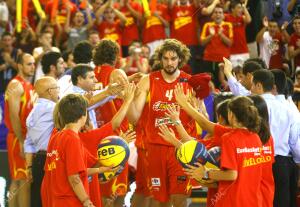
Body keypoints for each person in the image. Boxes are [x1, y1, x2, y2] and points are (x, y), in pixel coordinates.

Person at [127, 39, 196, 207]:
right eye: (165, 58)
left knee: (180, 199)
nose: (169, 62)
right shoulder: (148, 80)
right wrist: (127, 99)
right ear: (160, 59)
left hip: (180, 148)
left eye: (173, 59)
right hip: (155, 148)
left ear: (180, 59)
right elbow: (134, 118)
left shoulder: (191, 82)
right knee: (160, 200)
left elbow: (202, 117)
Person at [251, 69, 299, 207]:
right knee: (282, 202)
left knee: (261, 201)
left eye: (252, 85)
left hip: (260, 160)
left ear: (259, 85)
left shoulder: (255, 106)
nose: (251, 89)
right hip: (283, 162)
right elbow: (294, 140)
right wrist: (297, 161)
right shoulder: (288, 108)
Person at [4, 53, 36, 207]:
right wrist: (22, 141)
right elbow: (14, 116)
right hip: (18, 138)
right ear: (19, 66)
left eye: (33, 63)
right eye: (29, 64)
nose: (33, 67)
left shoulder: (28, 85)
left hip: (24, 138)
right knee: (21, 180)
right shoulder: (15, 85)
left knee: (21, 180)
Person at [24, 77, 60, 207]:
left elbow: (28, 143)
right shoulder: (54, 108)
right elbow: (78, 109)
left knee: (38, 201)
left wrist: (29, 167)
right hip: (52, 160)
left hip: (37, 162)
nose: (59, 92)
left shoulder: (32, 113)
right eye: (57, 88)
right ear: (50, 91)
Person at [200, 6, 233, 88]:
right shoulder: (207, 25)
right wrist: (211, 35)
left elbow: (230, 43)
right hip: (208, 59)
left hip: (223, 60)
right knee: (209, 85)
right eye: (215, 12)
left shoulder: (228, 25)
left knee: (223, 85)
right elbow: (202, 43)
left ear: (223, 16)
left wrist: (221, 35)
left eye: (220, 12)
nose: (218, 14)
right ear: (212, 15)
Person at [225, 0, 251, 67]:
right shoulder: (227, 17)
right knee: (233, 73)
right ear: (232, 9)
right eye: (239, 8)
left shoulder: (242, 18)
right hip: (231, 52)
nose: (241, 10)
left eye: (241, 8)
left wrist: (244, 8)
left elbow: (249, 20)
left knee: (245, 73)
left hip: (244, 51)